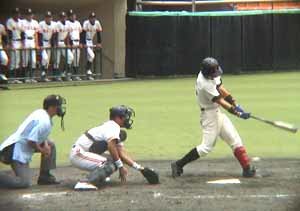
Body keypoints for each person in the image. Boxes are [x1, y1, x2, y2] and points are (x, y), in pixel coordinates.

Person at [171, 57, 256, 178]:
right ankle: (178, 164)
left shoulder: (211, 74)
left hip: (217, 113)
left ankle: (247, 168)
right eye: (214, 72)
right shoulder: (204, 84)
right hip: (209, 116)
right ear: (207, 73)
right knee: (206, 147)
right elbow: (221, 101)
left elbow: (221, 89)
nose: (216, 74)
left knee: (235, 140)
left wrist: (236, 104)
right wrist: (238, 113)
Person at [69, 105, 149, 190]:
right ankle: (85, 182)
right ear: (118, 118)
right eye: (125, 116)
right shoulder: (113, 127)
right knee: (108, 164)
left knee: (115, 160)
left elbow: (121, 154)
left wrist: (140, 168)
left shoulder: (113, 127)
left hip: (86, 153)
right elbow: (111, 147)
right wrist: (121, 167)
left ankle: (99, 176)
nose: (127, 119)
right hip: (79, 154)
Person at [0, 95, 66, 188]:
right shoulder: (44, 122)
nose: (60, 108)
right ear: (51, 108)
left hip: (19, 145)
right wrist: (43, 150)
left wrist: (46, 145)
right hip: (14, 150)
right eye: (58, 106)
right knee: (23, 182)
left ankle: (45, 177)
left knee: (50, 144)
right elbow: (30, 141)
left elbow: (38, 135)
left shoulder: (41, 112)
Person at [20, 8, 39, 83]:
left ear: (32, 15)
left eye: (31, 14)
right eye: (28, 14)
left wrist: (37, 44)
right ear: (26, 15)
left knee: (33, 61)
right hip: (26, 40)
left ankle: (32, 77)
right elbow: (21, 34)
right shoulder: (23, 22)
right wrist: (22, 43)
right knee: (25, 60)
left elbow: (36, 34)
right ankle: (25, 77)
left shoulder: (35, 22)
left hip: (32, 41)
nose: (29, 16)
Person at [81, 12, 102, 80]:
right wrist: (83, 43)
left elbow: (98, 33)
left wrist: (99, 42)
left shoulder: (97, 23)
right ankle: (87, 69)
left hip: (91, 41)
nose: (92, 19)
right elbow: (83, 33)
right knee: (92, 55)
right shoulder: (86, 23)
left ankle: (88, 73)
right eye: (91, 18)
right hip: (86, 41)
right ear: (89, 18)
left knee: (90, 57)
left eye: (94, 17)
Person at [53, 11, 74, 81]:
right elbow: (55, 35)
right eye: (62, 17)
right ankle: (56, 76)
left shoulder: (68, 23)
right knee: (57, 61)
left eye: (64, 17)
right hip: (58, 42)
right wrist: (55, 44)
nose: (63, 18)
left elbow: (68, 35)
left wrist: (67, 44)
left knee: (70, 57)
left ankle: (64, 72)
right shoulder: (57, 24)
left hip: (63, 43)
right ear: (60, 18)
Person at [6, 8, 23, 84]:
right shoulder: (10, 21)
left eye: (18, 13)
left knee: (17, 61)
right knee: (13, 61)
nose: (17, 14)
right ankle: (11, 78)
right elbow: (9, 33)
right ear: (13, 14)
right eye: (15, 13)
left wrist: (22, 43)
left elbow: (22, 33)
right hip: (13, 41)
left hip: (19, 42)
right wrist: (10, 43)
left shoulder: (20, 22)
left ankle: (15, 78)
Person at [38, 11, 56, 82]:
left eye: (49, 17)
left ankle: (44, 76)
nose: (48, 18)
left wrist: (53, 44)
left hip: (48, 43)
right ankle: (42, 73)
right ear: (45, 18)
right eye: (47, 17)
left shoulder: (54, 24)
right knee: (45, 58)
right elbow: (39, 35)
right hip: (43, 43)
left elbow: (54, 35)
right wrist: (41, 45)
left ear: (51, 18)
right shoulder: (41, 24)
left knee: (47, 61)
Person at [67, 9, 82, 81]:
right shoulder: (67, 23)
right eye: (71, 15)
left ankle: (76, 75)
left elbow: (81, 33)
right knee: (70, 58)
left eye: (73, 15)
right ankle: (68, 74)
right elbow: (67, 35)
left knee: (76, 60)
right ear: (69, 16)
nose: (73, 16)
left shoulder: (78, 23)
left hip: (77, 42)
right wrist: (70, 43)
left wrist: (81, 43)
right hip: (72, 43)